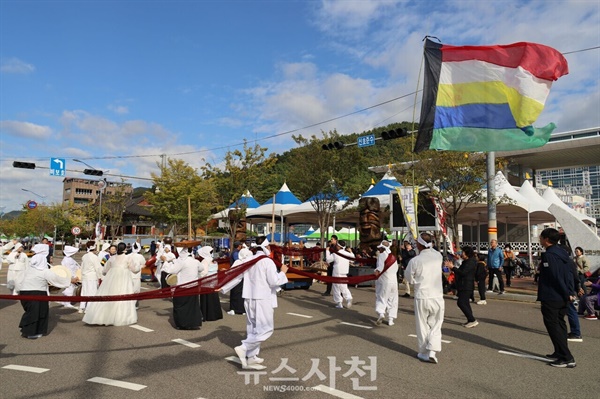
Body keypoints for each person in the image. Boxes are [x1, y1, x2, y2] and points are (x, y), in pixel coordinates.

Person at [220, 237, 289, 368]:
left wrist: (223, 287)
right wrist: (283, 272)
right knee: (266, 329)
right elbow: (274, 281)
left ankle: (251, 356)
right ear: (267, 247)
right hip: (262, 298)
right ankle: (245, 347)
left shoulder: (249, 259)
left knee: (252, 328)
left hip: (249, 297)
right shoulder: (267, 262)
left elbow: (237, 276)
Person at [537, 228, 576, 368]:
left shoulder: (549, 255)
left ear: (546, 239)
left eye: (541, 237)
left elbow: (555, 277)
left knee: (553, 326)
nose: (539, 239)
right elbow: (570, 273)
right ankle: (559, 351)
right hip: (562, 296)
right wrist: (571, 291)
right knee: (560, 324)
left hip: (552, 295)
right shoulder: (562, 253)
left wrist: (567, 292)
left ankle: (567, 357)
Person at [404, 232, 444, 364]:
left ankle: (424, 352)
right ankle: (432, 350)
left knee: (422, 325)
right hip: (437, 296)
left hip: (422, 296)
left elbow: (409, 277)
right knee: (436, 324)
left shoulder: (415, 260)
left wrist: (415, 282)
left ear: (419, 244)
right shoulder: (438, 256)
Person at [15, 244, 70, 339]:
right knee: (38, 313)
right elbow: (57, 279)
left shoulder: (30, 269)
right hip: (37, 293)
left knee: (30, 312)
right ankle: (31, 332)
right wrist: (70, 280)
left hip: (24, 292)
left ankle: (27, 331)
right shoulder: (44, 271)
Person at [83, 242, 137, 326]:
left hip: (112, 278)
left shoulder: (111, 258)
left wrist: (109, 272)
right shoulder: (128, 258)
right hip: (124, 278)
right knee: (123, 295)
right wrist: (140, 267)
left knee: (109, 295)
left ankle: (102, 316)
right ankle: (121, 317)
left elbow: (104, 270)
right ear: (125, 249)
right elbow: (134, 269)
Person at [162, 244, 203, 330]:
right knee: (192, 306)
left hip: (182, 287)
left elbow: (171, 270)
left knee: (180, 305)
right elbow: (201, 268)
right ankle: (193, 323)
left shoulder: (181, 261)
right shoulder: (194, 261)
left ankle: (182, 324)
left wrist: (165, 261)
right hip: (193, 287)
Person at [446, 246, 478, 328]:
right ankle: (470, 320)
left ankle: (472, 319)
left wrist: (453, 267)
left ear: (467, 254)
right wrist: (452, 268)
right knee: (465, 303)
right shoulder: (466, 261)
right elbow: (459, 272)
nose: (461, 254)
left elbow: (463, 272)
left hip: (466, 285)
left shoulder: (470, 262)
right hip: (462, 284)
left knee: (461, 302)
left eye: (463, 252)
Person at [374, 240, 398, 326]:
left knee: (382, 298)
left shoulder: (382, 255)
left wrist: (376, 272)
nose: (379, 250)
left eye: (380, 248)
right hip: (394, 281)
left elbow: (380, 267)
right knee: (392, 299)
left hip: (384, 280)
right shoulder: (393, 257)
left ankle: (381, 313)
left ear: (382, 248)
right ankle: (391, 319)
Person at [326, 239, 354, 309]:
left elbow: (328, 260)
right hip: (344, 272)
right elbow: (353, 259)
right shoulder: (347, 254)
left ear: (338, 246)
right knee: (344, 287)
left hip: (337, 272)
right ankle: (348, 298)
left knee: (336, 287)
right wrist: (351, 252)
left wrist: (327, 251)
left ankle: (339, 303)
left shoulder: (336, 254)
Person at [198, 245, 223, 321]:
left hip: (206, 282)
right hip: (214, 281)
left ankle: (207, 315)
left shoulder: (205, 261)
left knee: (206, 299)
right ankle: (215, 314)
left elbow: (204, 272)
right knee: (213, 298)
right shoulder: (213, 260)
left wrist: (198, 277)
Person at [78, 241, 103, 314]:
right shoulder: (94, 257)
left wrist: (82, 276)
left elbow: (82, 267)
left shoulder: (84, 256)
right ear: (94, 247)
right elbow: (98, 268)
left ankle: (81, 307)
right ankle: (88, 309)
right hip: (92, 276)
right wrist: (101, 277)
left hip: (85, 276)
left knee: (84, 292)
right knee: (91, 292)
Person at [227, 245, 251, 316]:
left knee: (235, 294)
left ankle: (233, 309)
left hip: (236, 280)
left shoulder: (238, 261)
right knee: (243, 295)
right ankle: (243, 310)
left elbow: (232, 270)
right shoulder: (249, 262)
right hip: (245, 280)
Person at [59, 245, 81, 309]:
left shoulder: (69, 259)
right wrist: (73, 277)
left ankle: (65, 301)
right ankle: (67, 302)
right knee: (70, 289)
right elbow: (69, 269)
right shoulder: (67, 260)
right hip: (70, 276)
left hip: (71, 276)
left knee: (68, 288)